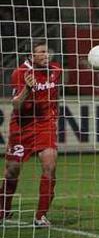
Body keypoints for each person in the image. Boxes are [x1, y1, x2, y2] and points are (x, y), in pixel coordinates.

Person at [0, 39, 61, 226]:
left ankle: (40, 216)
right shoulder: (19, 73)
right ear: (31, 55)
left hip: (45, 125)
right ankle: (4, 209)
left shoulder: (56, 70)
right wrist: (28, 88)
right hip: (22, 128)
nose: (46, 55)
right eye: (41, 52)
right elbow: (16, 105)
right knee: (12, 171)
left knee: (50, 165)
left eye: (47, 51)